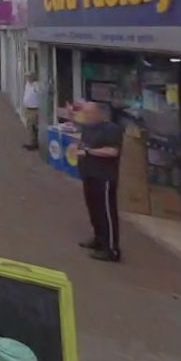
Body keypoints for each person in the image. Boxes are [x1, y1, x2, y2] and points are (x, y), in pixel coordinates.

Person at [72, 101, 124, 262]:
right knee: (94, 210)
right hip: (89, 175)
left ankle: (111, 249)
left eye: (89, 113)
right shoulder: (88, 127)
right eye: (85, 113)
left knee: (106, 213)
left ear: (99, 114)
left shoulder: (111, 129)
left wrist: (88, 151)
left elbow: (113, 151)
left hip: (104, 177)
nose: (86, 116)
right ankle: (98, 239)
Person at [21, 71, 41, 151]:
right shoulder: (27, 84)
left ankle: (34, 143)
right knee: (30, 126)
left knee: (33, 126)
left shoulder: (36, 85)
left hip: (34, 109)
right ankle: (33, 142)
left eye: (29, 77)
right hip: (27, 108)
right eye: (27, 77)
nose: (28, 78)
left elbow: (40, 92)